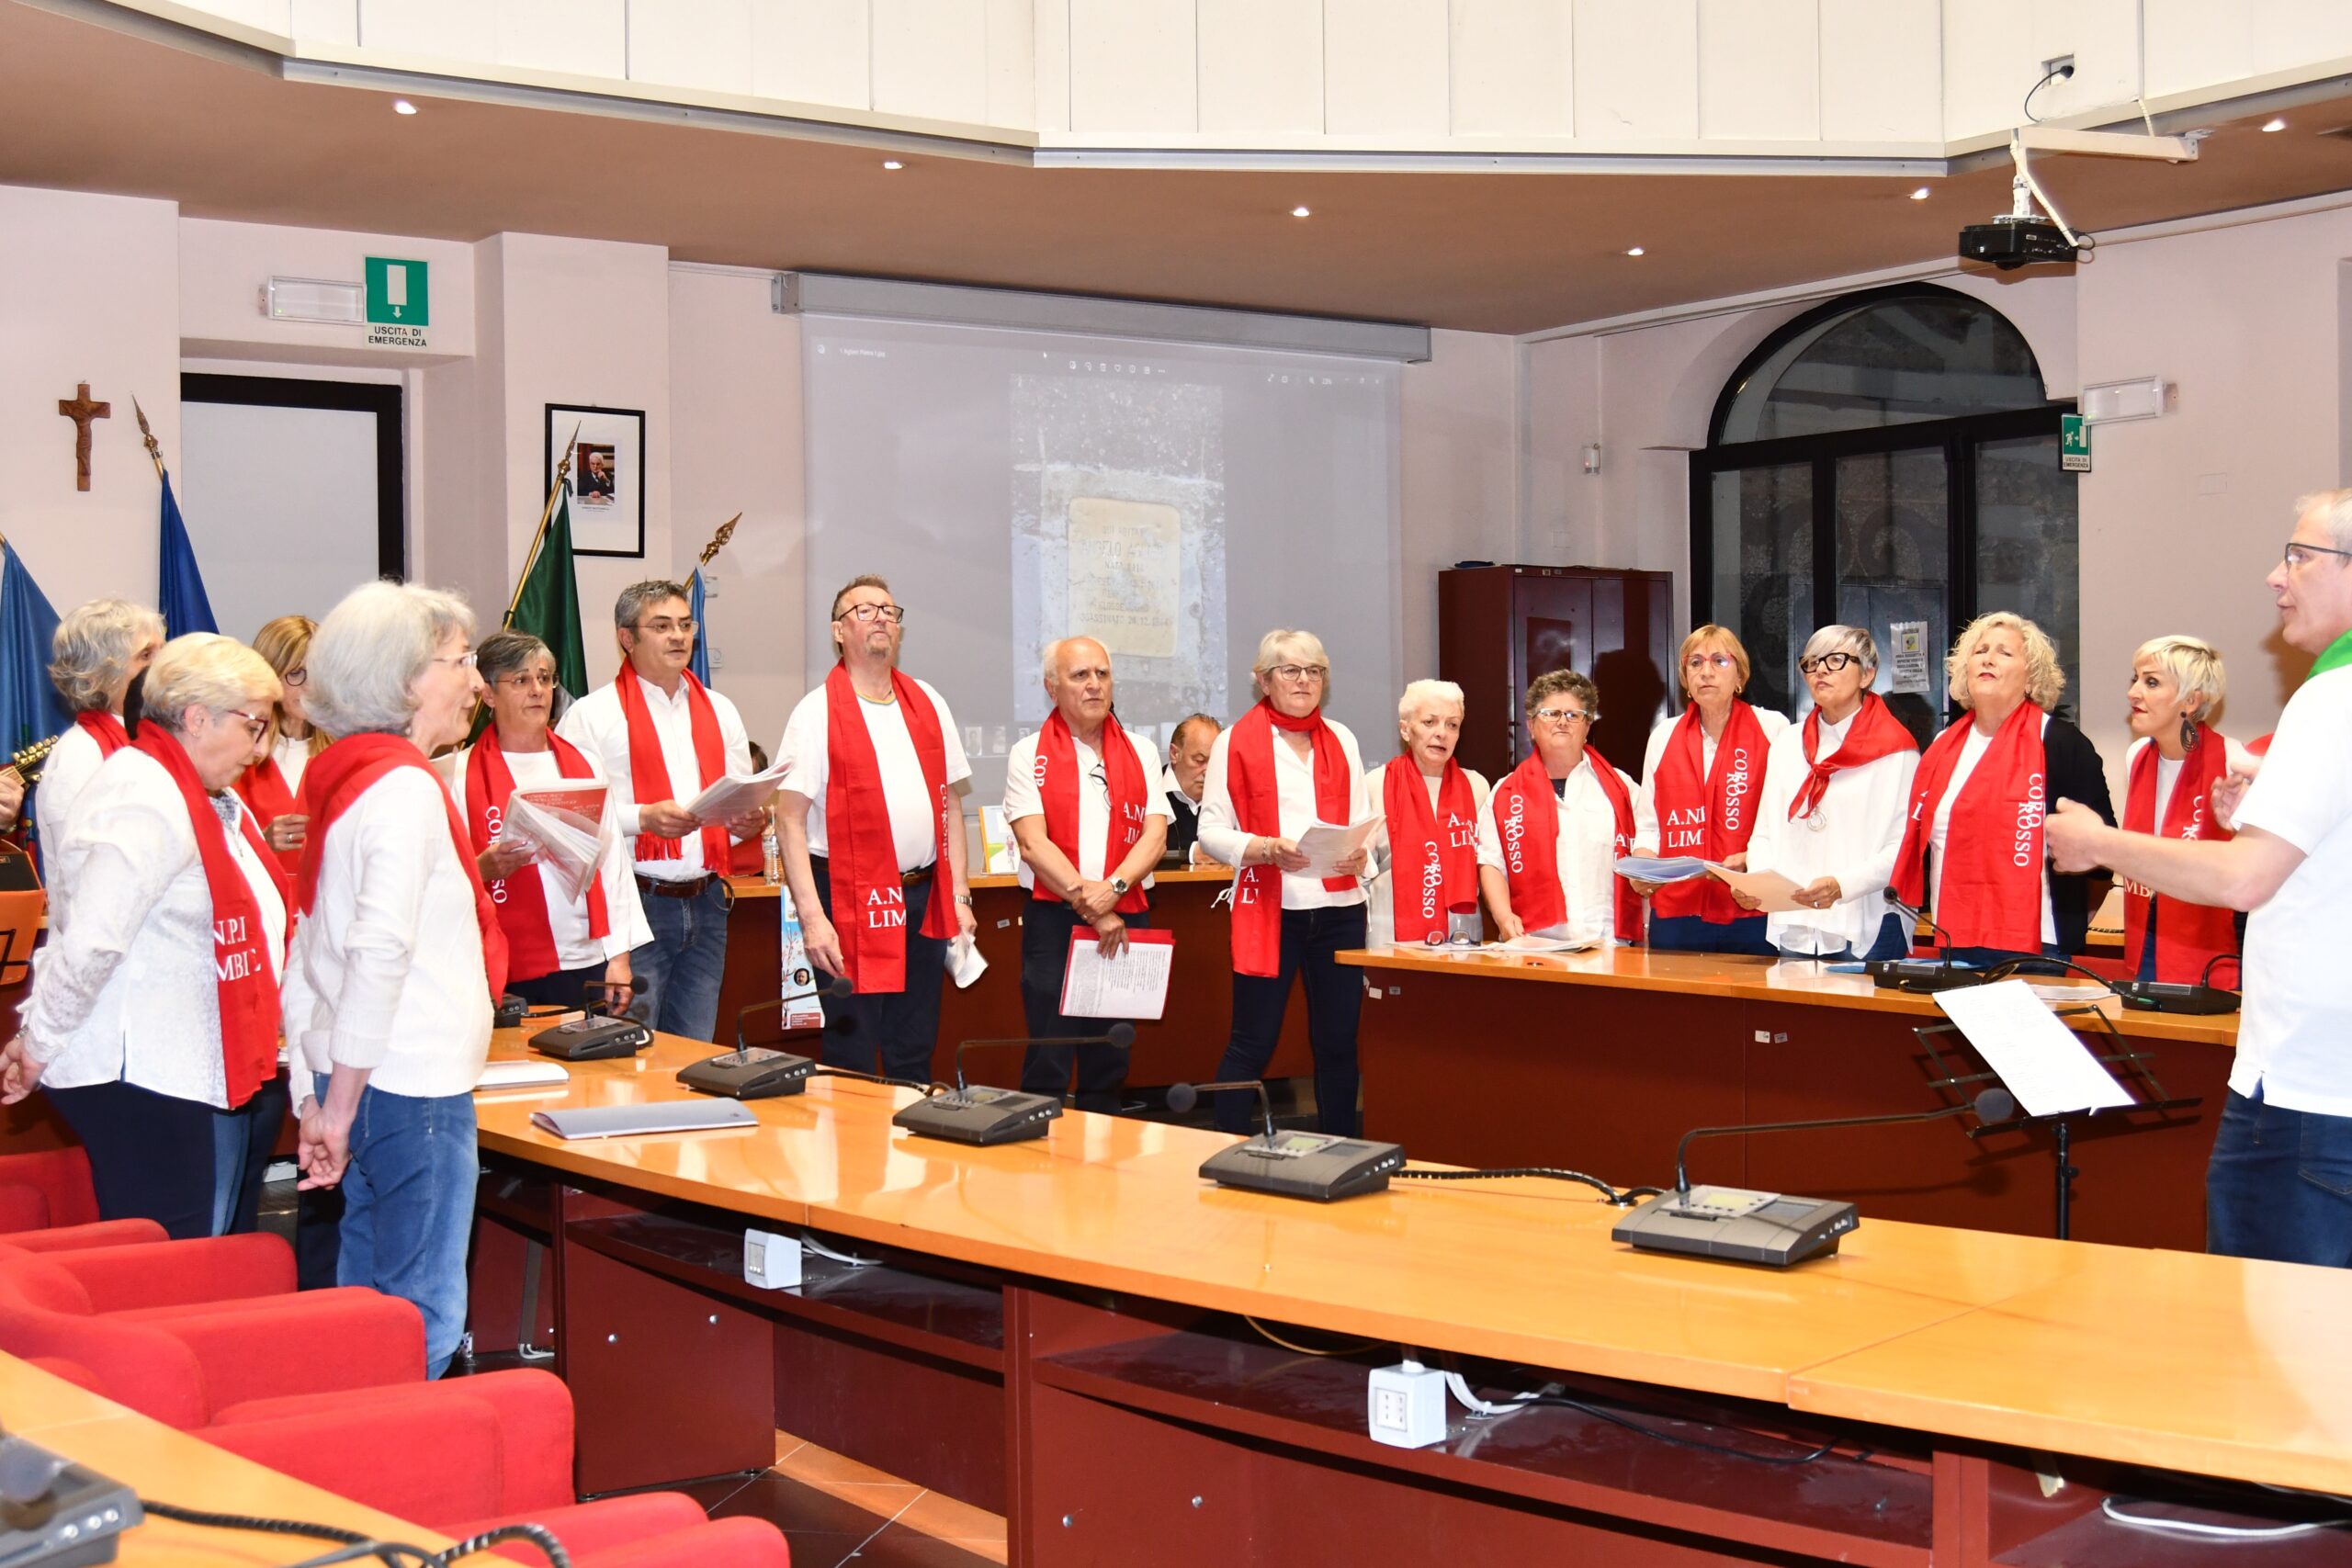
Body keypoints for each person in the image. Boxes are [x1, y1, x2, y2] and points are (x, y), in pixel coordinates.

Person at [2047, 489, 2352, 1267]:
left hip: (2309, 1089)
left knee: (2269, 1326)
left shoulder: (2331, 699)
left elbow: (2245, 880)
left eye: (2299, 556)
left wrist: (2100, 843)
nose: (2275, 576)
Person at [280, 581, 505, 1378]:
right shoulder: (405, 786)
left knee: (365, 1303)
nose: (476, 681)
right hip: (410, 1084)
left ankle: (357, 1439)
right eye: (460, 662)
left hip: (356, 1076)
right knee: (421, 1314)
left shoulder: (343, 777)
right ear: (406, 679)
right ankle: (410, 1454)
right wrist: (333, 1108)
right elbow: (376, 950)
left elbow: (305, 949)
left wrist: (314, 1098)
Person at [0, 635, 288, 1240]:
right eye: (254, 726)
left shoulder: (203, 792)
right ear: (197, 718)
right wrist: (38, 1043)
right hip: (143, 1072)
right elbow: (92, 941)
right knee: (170, 1260)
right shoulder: (143, 792)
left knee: (204, 1252)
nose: (261, 749)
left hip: (190, 1066)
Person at [775, 575, 976, 1087]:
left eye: (888, 609)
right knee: (853, 1050)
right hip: (847, 897)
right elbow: (788, 817)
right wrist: (813, 920)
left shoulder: (927, 701)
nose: (881, 617)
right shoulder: (815, 712)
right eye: (864, 610)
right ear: (838, 631)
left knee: (915, 1043)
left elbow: (950, 803)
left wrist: (959, 894)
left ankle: (912, 1135)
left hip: (924, 896)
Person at [557, 581, 761, 1042]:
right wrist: (643, 818)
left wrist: (745, 822)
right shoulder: (591, 716)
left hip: (708, 899)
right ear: (627, 638)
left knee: (693, 1046)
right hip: (635, 899)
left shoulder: (720, 710)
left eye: (686, 625)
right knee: (628, 1047)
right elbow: (572, 819)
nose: (679, 636)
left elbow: (732, 804)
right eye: (663, 626)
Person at [1196, 630, 1373, 1136]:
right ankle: (1227, 1148)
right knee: (1252, 1041)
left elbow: (1362, 823)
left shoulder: (1342, 738)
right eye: (1290, 670)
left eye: (1314, 671)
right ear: (1263, 680)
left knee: (1338, 1044)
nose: (1304, 681)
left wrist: (1361, 855)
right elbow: (1210, 831)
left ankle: (1340, 1149)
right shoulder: (1234, 741)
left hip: (1340, 910)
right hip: (1270, 909)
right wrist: (1266, 848)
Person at [1892, 613, 2113, 967]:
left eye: (2004, 653)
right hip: (1954, 939)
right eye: (1980, 651)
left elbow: (2101, 854)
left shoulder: (2061, 743)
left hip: (2038, 945)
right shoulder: (1942, 747)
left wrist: (2070, 927)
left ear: (2031, 677)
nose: (1988, 659)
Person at [1002, 637, 1168, 1112]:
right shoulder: (1027, 753)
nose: (1094, 684)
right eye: (1080, 675)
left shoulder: (1140, 750)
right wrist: (1093, 907)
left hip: (1127, 914)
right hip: (1054, 920)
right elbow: (1033, 844)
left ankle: (1105, 1147)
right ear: (1052, 688)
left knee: (1112, 1053)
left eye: (1102, 674)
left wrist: (1112, 891)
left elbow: (1155, 837)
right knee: (1050, 1056)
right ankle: (1040, 1148)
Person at [448, 630, 649, 1011]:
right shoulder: (458, 774)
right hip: (502, 964)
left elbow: (613, 867)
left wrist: (619, 957)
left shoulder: (584, 764)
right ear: (488, 694)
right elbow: (439, 877)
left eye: (544, 678)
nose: (538, 690)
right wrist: (482, 869)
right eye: (521, 680)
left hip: (585, 957)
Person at [1742, 626, 1920, 960]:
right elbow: (1763, 832)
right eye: (1812, 662)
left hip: (1865, 920)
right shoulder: (1786, 744)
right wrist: (1760, 882)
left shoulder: (1897, 750)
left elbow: (1903, 848)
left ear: (1867, 674)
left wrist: (1843, 885)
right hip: (1795, 922)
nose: (1820, 670)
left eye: (1835, 660)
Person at [1629, 626, 1788, 954]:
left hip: (1750, 906)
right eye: (1696, 663)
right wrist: (1643, 867)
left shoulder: (1773, 728)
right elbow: (1648, 825)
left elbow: (1787, 820)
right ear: (1685, 679)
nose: (1706, 672)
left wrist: (1752, 859)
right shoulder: (1663, 736)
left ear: (1740, 675)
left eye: (1719, 661)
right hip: (1677, 911)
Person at [2116, 635, 2256, 985]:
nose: (2133, 693)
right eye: (2135, 679)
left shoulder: (2235, 761)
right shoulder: (2137, 756)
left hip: (2212, 938)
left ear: (2191, 701)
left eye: (2151, 682)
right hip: (2146, 927)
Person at [1478, 670, 1642, 948]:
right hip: (1534, 946)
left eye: (1573, 715)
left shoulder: (1621, 788)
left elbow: (1646, 854)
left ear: (1587, 727)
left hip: (1608, 945)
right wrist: (1503, 917)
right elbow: (1491, 862)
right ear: (1531, 726)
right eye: (1551, 714)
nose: (1562, 722)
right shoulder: (1504, 793)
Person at [35, 599, 164, 858]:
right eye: (146, 655)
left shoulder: (157, 737)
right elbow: (80, 862)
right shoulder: (80, 752)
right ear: (97, 676)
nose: (164, 665)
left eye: (163, 651)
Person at [1366, 680, 1488, 947]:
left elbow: (1489, 865)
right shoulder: (1376, 784)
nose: (1441, 733)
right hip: (1391, 936)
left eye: (1452, 725)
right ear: (1405, 729)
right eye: (1429, 722)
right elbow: (1360, 869)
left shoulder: (1477, 786)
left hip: (1462, 937)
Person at [235, 614, 329, 874]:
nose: (310, 687)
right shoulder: (239, 756)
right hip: (263, 895)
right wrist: (261, 843)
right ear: (270, 677)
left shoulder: (342, 755)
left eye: (317, 674)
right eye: (296, 674)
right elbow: (211, 852)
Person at [1162, 714, 1220, 863]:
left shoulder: (1227, 793)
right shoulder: (1149, 790)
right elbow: (1136, 850)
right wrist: (1192, 853)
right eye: (1199, 760)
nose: (1208, 771)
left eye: (1214, 761)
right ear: (1174, 754)